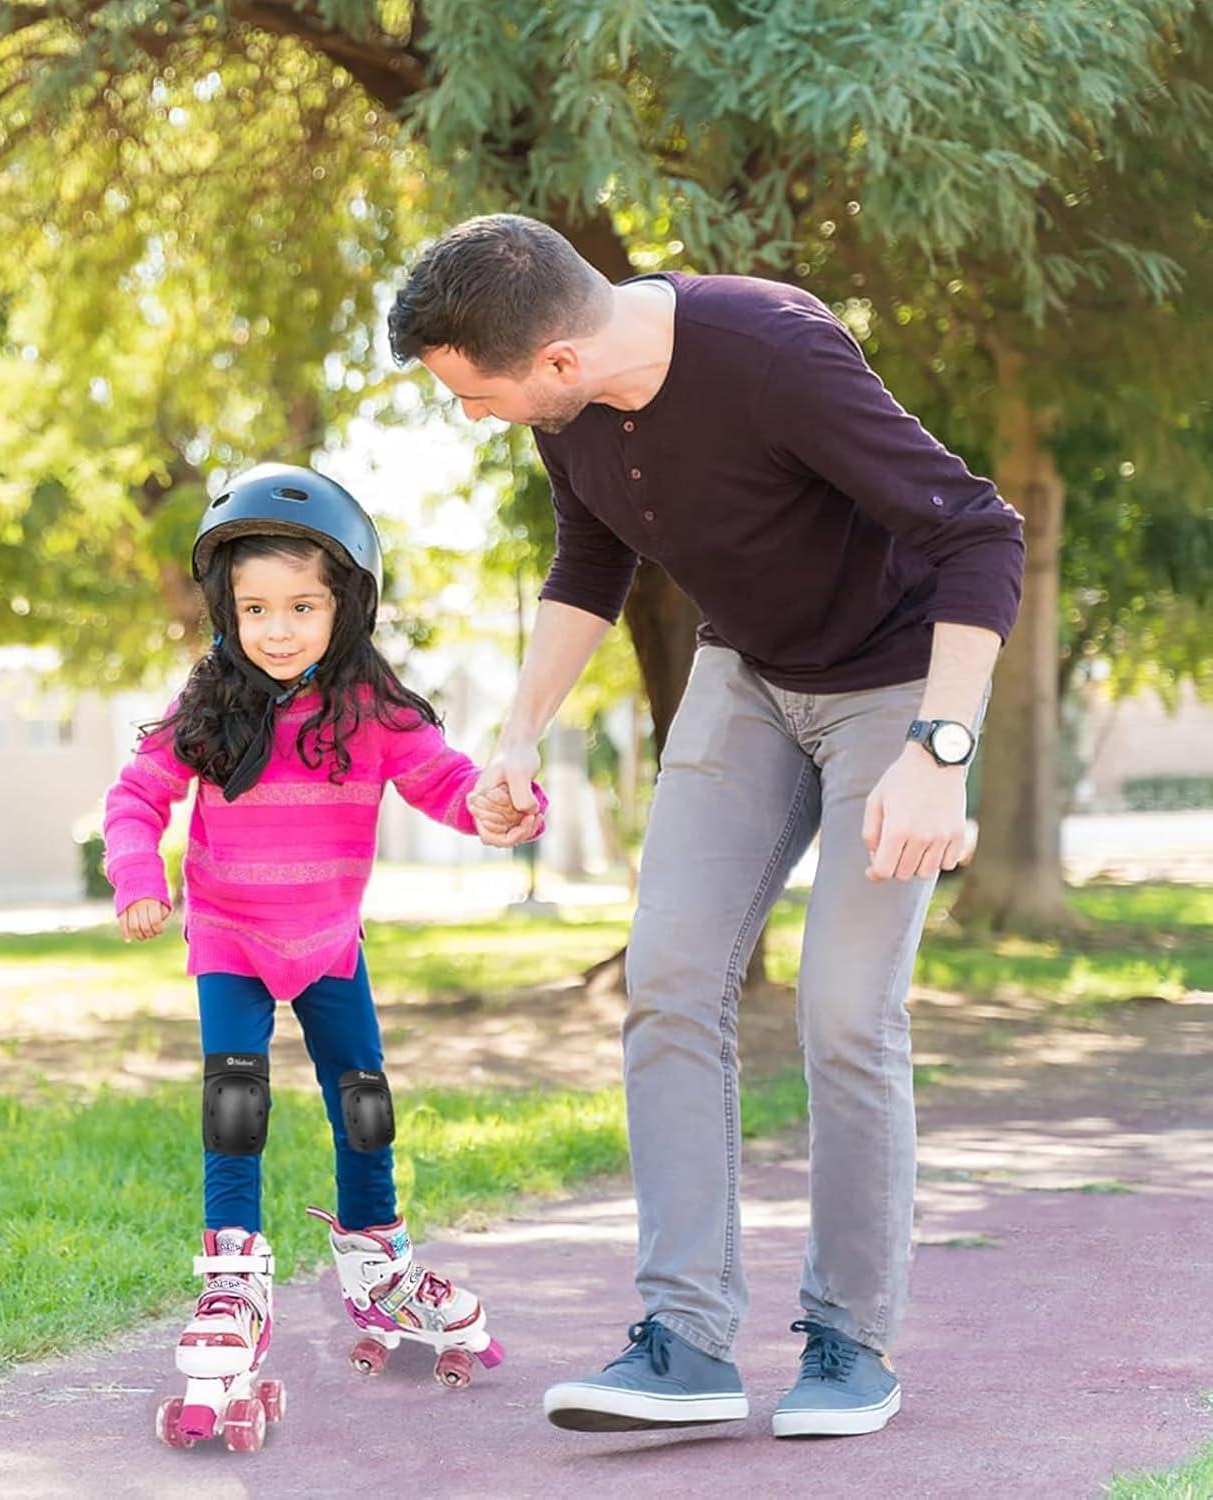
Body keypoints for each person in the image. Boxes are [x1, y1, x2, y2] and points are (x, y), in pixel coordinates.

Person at [388, 214, 1025, 1439]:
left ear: (557, 360)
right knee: (671, 981)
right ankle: (685, 1342)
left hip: (897, 689)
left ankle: (850, 1340)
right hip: (750, 679)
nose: (473, 416)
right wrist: (517, 734)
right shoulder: (571, 413)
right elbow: (590, 558)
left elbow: (978, 532)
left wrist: (938, 754)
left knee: (846, 1011)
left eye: (477, 396)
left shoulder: (774, 352)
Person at [104, 463, 539, 1448]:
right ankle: (231, 1275)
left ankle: (379, 1263)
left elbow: (445, 780)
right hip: (229, 934)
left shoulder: (374, 709)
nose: (279, 628)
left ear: (347, 605)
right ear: (226, 610)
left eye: (302, 606)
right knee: (235, 1096)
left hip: (328, 940)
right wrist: (138, 878)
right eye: (256, 607)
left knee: (364, 1099)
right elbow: (136, 797)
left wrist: (498, 806)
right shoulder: (208, 705)